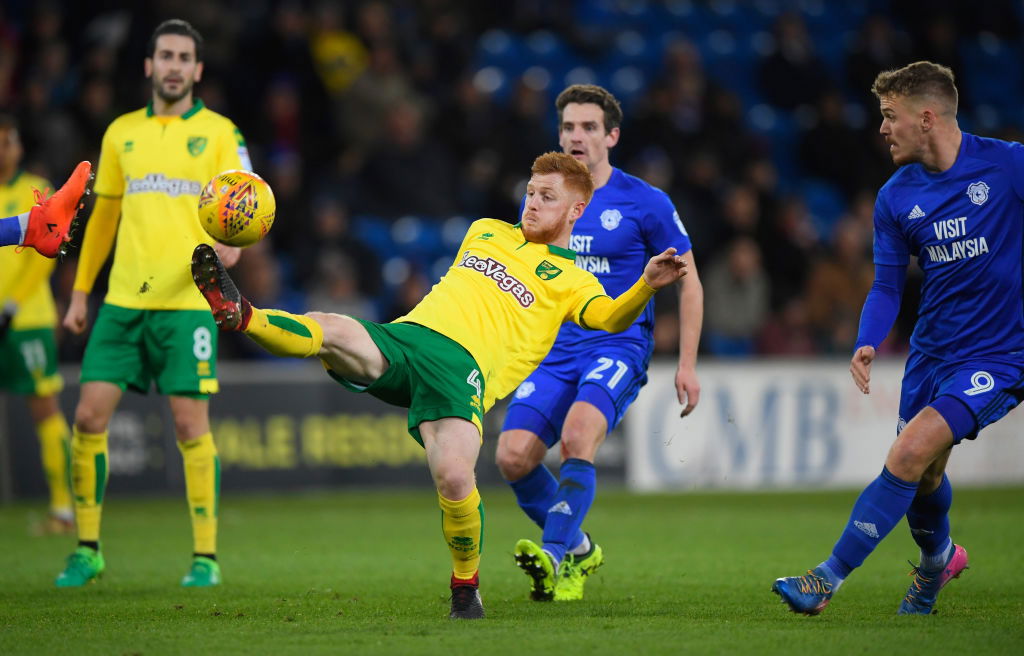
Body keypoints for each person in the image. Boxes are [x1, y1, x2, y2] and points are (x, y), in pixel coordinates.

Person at [189, 151, 687, 619]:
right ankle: (241, 315)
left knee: (452, 475)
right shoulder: (485, 231)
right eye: (531, 193)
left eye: (547, 197)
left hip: (461, 375)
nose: (533, 203)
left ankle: (465, 589)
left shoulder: (573, 280)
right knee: (332, 329)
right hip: (409, 340)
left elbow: (609, 319)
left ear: (577, 209)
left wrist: (644, 285)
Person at [772, 60, 1024, 615]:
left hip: (1001, 356)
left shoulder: (1007, 167)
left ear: (926, 118)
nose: (882, 128)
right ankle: (938, 564)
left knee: (907, 452)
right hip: (931, 354)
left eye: (890, 117)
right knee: (926, 475)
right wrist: (868, 339)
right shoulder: (894, 196)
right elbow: (887, 285)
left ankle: (824, 579)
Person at [55, 19, 252, 588]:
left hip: (188, 302)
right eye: (164, 55)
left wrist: (230, 249)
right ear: (148, 65)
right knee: (88, 417)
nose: (173, 65)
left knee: (190, 425)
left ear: (197, 70)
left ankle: (206, 558)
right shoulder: (120, 133)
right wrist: (80, 293)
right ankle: (87, 549)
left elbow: (245, 202)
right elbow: (104, 217)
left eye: (183, 57)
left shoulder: (220, 132)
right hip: (122, 302)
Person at [496, 84, 703, 602]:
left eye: (588, 127)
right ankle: (582, 548)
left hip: (617, 343)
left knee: (577, 436)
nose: (576, 136)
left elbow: (690, 281)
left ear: (611, 135)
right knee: (512, 456)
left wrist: (688, 364)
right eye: (567, 126)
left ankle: (555, 554)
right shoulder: (547, 198)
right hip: (554, 348)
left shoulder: (645, 202)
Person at [0, 116, 91, 534]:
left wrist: (13, 303)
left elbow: (40, 268)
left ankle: (63, 509)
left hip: (27, 320)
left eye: (8, 141)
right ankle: (31, 226)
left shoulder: (33, 184)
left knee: (45, 409)